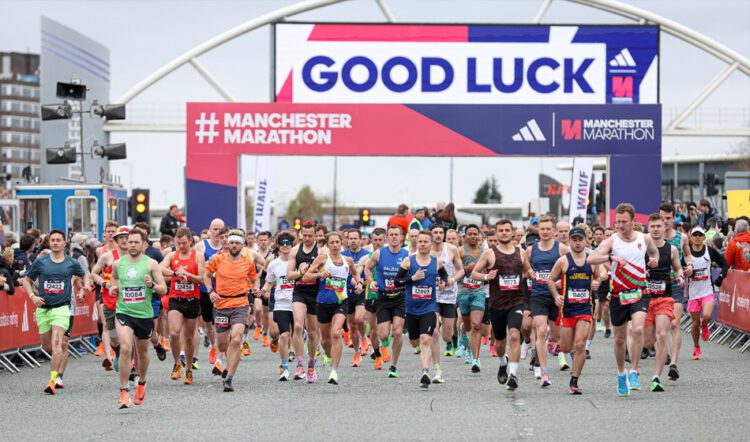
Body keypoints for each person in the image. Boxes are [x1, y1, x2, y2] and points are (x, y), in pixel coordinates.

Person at [588, 203, 659, 396]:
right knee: (619, 339)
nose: (620, 225)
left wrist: (654, 261)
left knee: (637, 329)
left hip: (639, 291)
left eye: (624, 222)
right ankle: (621, 374)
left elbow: (654, 253)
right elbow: (591, 259)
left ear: (633, 221)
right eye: (617, 221)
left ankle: (634, 371)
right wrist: (610, 258)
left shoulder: (644, 239)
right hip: (619, 294)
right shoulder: (612, 241)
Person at [23, 230, 91, 395]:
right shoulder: (41, 261)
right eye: (52, 240)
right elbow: (26, 280)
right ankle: (58, 362)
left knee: (58, 343)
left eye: (58, 240)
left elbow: (84, 275)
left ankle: (53, 380)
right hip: (44, 308)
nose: (54, 243)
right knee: (47, 346)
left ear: (64, 243)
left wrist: (84, 288)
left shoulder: (71, 262)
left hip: (62, 308)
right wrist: (32, 296)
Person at [109, 229, 168, 408]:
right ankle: (124, 390)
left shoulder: (151, 264)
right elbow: (114, 279)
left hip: (144, 314)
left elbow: (164, 289)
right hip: (124, 311)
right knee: (126, 348)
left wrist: (152, 285)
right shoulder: (119, 264)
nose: (132, 245)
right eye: (130, 242)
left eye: (136, 242)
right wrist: (113, 287)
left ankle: (141, 383)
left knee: (142, 352)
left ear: (143, 244)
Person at [471, 219, 532, 390]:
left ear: (512, 232)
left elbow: (527, 270)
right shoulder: (489, 253)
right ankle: (502, 361)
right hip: (497, 304)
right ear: (496, 233)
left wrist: (531, 273)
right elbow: (474, 273)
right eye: (501, 230)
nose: (504, 233)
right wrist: (485, 277)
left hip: (517, 302)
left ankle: (513, 374)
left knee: (514, 336)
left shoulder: (521, 252)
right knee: (499, 343)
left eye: (507, 230)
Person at [548, 227, 604, 394]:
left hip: (585, 308)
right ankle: (556, 346)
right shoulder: (563, 261)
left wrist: (598, 281)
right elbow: (551, 280)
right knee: (565, 347)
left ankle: (574, 380)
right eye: (574, 240)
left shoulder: (591, 260)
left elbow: (602, 274)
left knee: (580, 344)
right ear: (570, 241)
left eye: (581, 240)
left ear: (586, 241)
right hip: (567, 310)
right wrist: (556, 296)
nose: (578, 243)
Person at [303, 232, 363, 384]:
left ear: (342, 243)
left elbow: (356, 275)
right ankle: (329, 356)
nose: (335, 245)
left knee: (336, 333)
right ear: (328, 245)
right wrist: (320, 275)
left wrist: (359, 285)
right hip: (323, 303)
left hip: (341, 302)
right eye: (332, 243)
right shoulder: (322, 259)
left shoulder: (347, 260)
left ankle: (334, 371)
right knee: (325, 341)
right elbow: (305, 277)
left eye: (337, 242)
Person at [203, 229, 258, 392]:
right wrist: (210, 292)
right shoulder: (218, 260)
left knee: (236, 338)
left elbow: (255, 279)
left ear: (242, 245)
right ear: (227, 244)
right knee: (222, 345)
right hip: (221, 305)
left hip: (241, 304)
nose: (234, 245)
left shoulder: (248, 262)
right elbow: (206, 275)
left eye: (237, 243)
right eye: (231, 242)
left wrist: (256, 289)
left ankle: (229, 377)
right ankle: (226, 364)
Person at [394, 230, 450, 388]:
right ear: (416, 243)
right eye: (420, 242)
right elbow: (397, 282)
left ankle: (425, 372)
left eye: (426, 242)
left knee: (426, 339)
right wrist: (412, 278)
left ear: (431, 244)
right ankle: (418, 350)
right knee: (414, 341)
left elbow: (444, 277)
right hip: (411, 309)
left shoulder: (436, 262)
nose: (423, 244)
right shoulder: (408, 262)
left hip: (429, 307)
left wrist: (443, 283)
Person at [526, 215, 570, 386]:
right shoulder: (531, 250)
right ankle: (543, 372)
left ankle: (553, 345)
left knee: (556, 336)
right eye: (542, 229)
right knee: (541, 331)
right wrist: (529, 272)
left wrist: (562, 281)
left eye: (548, 229)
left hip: (557, 297)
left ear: (554, 231)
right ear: (538, 230)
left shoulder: (562, 249)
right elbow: (525, 267)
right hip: (538, 296)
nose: (544, 232)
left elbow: (572, 268)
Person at [642, 214, 684, 392]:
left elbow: (677, 268)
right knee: (648, 340)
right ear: (648, 228)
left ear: (664, 227)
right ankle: (642, 354)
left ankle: (656, 376)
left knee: (662, 334)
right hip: (646, 298)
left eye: (659, 226)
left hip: (665, 298)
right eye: (653, 226)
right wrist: (643, 272)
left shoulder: (671, 250)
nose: (656, 229)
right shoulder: (641, 248)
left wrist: (680, 276)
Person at [160, 227, 205, 385]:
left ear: (190, 241)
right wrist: (174, 273)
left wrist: (188, 276)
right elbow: (160, 267)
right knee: (174, 332)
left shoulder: (198, 256)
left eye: (184, 243)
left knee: (188, 337)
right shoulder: (172, 255)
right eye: (178, 243)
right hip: (176, 298)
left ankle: (189, 370)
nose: (181, 246)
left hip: (192, 299)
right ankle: (177, 363)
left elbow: (200, 279)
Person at [366, 225, 410, 378]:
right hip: (383, 297)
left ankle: (394, 365)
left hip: (400, 297)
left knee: (398, 332)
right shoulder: (379, 254)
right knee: (383, 335)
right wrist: (371, 281)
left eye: (396, 235)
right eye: (390, 234)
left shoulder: (407, 255)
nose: (393, 237)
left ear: (401, 237)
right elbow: (367, 268)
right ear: (387, 238)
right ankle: (384, 345)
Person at [659, 202, 693, 381]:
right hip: (658, 285)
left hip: (676, 283)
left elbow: (687, 255)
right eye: (662, 218)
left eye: (668, 218)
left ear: (674, 218)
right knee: (661, 326)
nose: (665, 222)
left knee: (674, 323)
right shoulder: (652, 238)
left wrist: (690, 266)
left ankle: (674, 364)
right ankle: (662, 351)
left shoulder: (682, 238)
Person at [91, 226, 130, 373]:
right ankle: (118, 353)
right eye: (122, 237)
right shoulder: (107, 256)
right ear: (116, 240)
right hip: (110, 301)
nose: (125, 240)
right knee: (113, 337)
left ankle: (131, 365)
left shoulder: (137, 257)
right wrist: (105, 284)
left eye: (127, 237)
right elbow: (93, 273)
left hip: (129, 302)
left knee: (128, 335)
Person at [287, 220, 321, 382]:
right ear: (301, 235)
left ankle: (311, 364)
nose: (307, 238)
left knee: (313, 332)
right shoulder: (295, 250)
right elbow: (289, 275)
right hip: (299, 292)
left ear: (315, 235)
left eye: (310, 235)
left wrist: (313, 272)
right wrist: (300, 273)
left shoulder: (321, 251)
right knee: (298, 326)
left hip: (315, 294)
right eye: (304, 235)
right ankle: (299, 364)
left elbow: (325, 271)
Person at [687, 226, 728, 360]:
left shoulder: (709, 251)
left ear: (704, 238)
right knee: (694, 323)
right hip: (693, 293)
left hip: (707, 290)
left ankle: (705, 324)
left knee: (708, 316)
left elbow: (724, 262)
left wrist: (721, 277)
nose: (698, 238)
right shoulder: (687, 253)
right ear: (691, 238)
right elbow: (679, 269)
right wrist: (684, 274)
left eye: (700, 235)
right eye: (695, 235)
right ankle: (696, 347)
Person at [261, 231, 296, 380]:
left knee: (297, 333)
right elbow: (269, 282)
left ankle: (301, 366)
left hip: (297, 302)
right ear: (278, 245)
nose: (285, 246)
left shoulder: (298, 261)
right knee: (283, 335)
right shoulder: (273, 264)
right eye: (282, 243)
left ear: (292, 245)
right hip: (281, 303)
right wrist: (264, 290)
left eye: (288, 243)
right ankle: (285, 368)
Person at [430, 225, 464, 367]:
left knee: (447, 336)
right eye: (435, 232)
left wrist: (452, 280)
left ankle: (453, 341)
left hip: (449, 295)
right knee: (434, 331)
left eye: (440, 232)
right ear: (430, 234)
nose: (438, 235)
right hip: (432, 295)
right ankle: (434, 363)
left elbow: (461, 271)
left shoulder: (451, 249)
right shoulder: (426, 250)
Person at [457, 225, 487, 371]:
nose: (473, 236)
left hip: (479, 291)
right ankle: (463, 333)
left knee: (476, 325)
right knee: (467, 325)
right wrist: (465, 270)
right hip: (463, 292)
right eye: (470, 234)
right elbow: (455, 272)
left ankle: (476, 359)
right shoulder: (461, 251)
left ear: (479, 235)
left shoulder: (485, 252)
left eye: (475, 234)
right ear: (465, 236)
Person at [195, 219, 224, 368]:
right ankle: (213, 345)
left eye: (220, 229)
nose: (217, 232)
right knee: (208, 323)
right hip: (205, 290)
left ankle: (221, 349)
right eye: (215, 229)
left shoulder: (227, 247)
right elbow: (194, 264)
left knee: (222, 322)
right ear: (209, 230)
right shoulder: (201, 246)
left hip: (223, 290)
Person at [341, 229, 369, 367]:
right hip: (347, 293)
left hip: (362, 292)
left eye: (355, 238)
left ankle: (364, 338)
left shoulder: (367, 255)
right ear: (346, 240)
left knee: (359, 318)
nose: (352, 241)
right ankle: (357, 353)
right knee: (352, 324)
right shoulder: (342, 255)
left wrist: (364, 283)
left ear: (360, 240)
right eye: (350, 238)